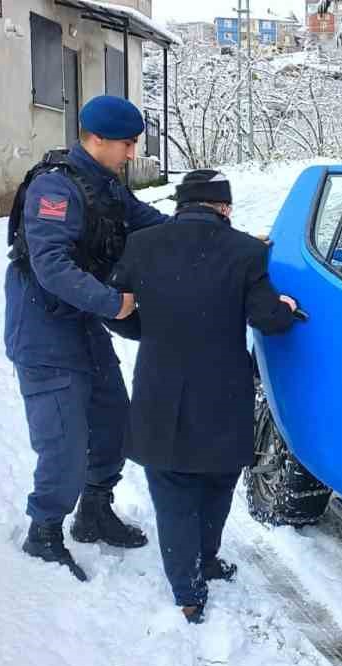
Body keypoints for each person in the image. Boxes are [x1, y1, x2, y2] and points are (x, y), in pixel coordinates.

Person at [109, 170, 298, 622]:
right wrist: (287, 309)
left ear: (180, 204)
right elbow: (266, 319)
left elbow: (114, 310)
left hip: (160, 386)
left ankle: (188, 590)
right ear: (225, 208)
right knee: (217, 479)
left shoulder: (142, 245)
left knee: (171, 487)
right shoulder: (248, 252)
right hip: (222, 387)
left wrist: (147, 331)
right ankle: (207, 558)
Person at [4, 95, 170, 582]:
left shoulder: (105, 185)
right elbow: (50, 264)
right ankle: (45, 530)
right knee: (64, 441)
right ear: (95, 139)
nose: (132, 152)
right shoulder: (54, 189)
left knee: (113, 416)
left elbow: (149, 225)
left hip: (79, 322)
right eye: (126, 143)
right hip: (42, 328)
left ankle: (94, 510)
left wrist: (210, 233)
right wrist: (111, 303)